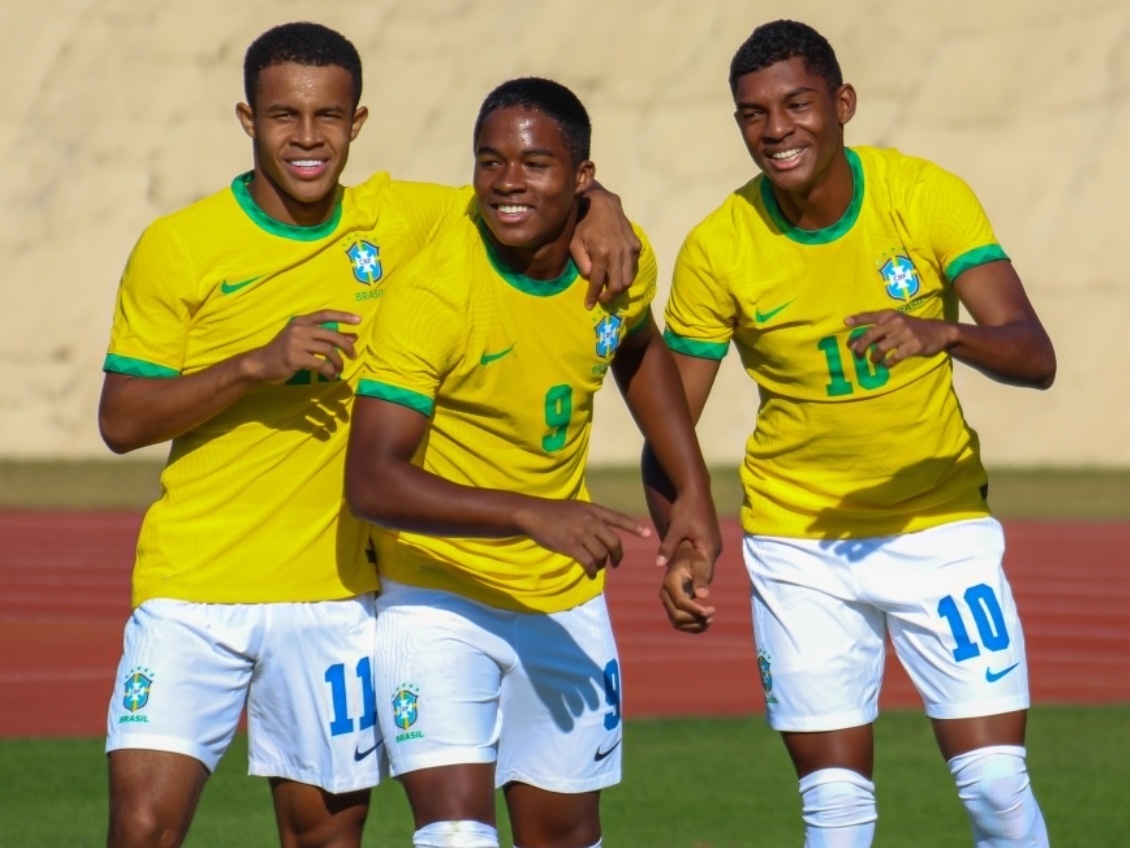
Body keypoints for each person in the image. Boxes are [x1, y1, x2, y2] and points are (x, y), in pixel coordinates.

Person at [98, 23, 642, 848]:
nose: (307, 138)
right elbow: (120, 419)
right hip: (191, 584)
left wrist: (606, 208)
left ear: (357, 122)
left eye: (328, 117)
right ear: (248, 118)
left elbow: (526, 186)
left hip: (335, 592)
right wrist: (255, 364)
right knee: (142, 828)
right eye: (284, 115)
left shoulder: (409, 218)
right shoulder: (178, 246)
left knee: (324, 837)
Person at [645, 19, 1057, 848]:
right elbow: (669, 425)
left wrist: (948, 334)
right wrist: (680, 537)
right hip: (800, 548)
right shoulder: (720, 246)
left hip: (938, 528)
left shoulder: (924, 195)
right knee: (835, 813)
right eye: (754, 114)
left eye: (797, 104)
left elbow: (1033, 354)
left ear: (843, 105)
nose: (776, 130)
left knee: (996, 790)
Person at [344, 77, 721, 848]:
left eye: (534, 164)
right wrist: (528, 512)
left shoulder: (617, 261)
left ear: (583, 179)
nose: (507, 183)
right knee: (456, 835)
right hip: (436, 594)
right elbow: (370, 479)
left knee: (565, 837)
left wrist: (692, 494)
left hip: (561, 600)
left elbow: (637, 351)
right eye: (489, 163)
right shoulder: (435, 294)